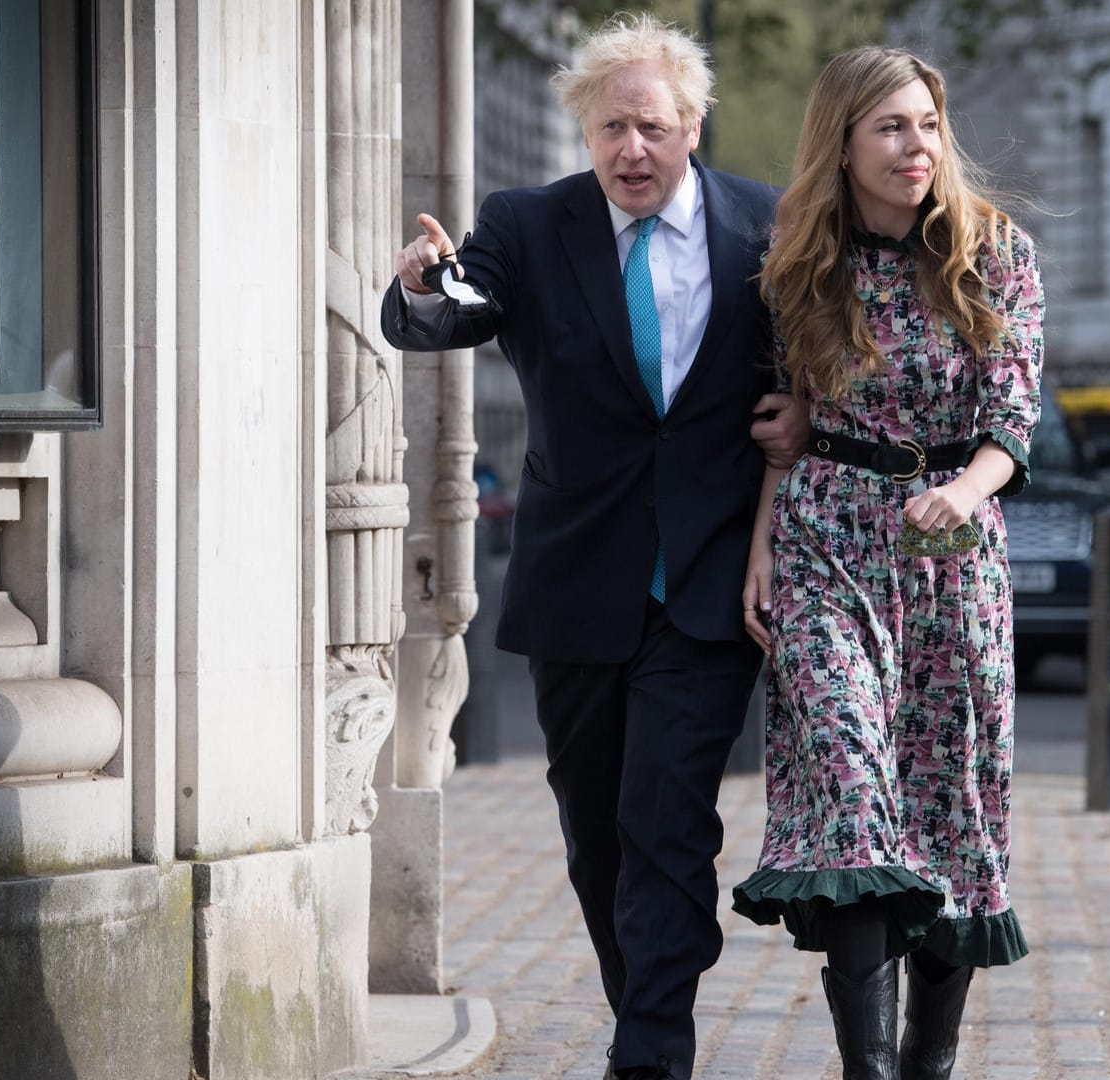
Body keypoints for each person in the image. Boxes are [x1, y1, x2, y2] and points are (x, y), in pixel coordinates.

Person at [381, 15, 806, 1080]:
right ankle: (645, 1001)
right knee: (598, 832)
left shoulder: (767, 225)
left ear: (692, 125)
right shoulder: (528, 226)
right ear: (585, 129)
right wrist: (426, 285)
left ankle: (652, 1053)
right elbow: (460, 307)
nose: (632, 151)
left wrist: (803, 418)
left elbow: (816, 365)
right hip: (580, 579)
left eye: (653, 128)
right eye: (612, 127)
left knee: (668, 817)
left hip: (707, 579)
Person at [729, 46, 1041, 1080]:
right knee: (853, 786)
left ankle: (927, 1060)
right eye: (891, 128)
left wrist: (966, 487)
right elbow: (793, 421)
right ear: (844, 143)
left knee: (952, 802)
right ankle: (866, 1068)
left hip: (951, 547)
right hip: (827, 539)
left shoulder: (993, 251)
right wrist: (766, 539)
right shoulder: (802, 263)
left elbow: (1013, 415)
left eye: (927, 125)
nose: (916, 147)